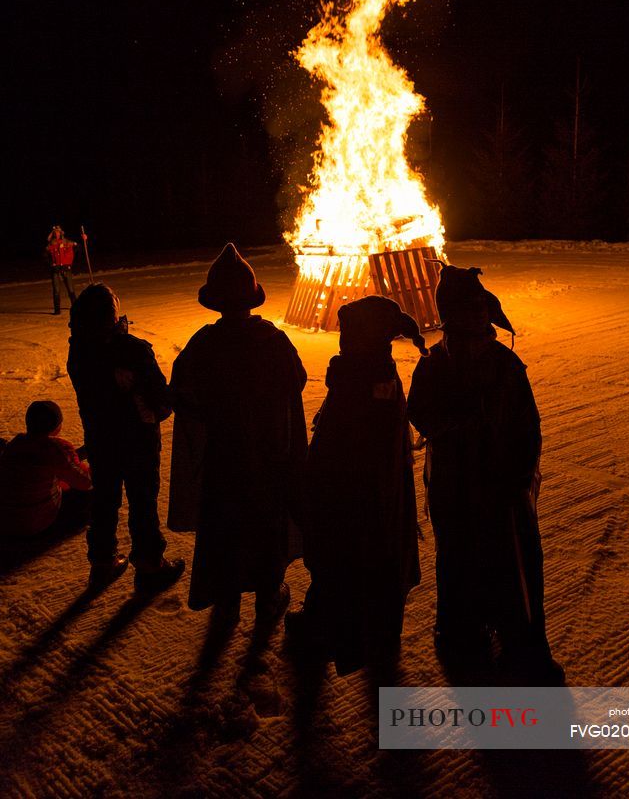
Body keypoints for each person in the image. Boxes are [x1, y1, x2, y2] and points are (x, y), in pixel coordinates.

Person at [407, 263, 564, 684]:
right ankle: (462, 634)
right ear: (451, 317)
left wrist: (517, 479)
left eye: (482, 309)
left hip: (502, 489)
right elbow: (419, 411)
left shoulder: (505, 365)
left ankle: (524, 649)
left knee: (515, 567)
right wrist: (455, 427)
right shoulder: (435, 364)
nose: (478, 317)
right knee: (457, 561)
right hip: (454, 487)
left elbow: (527, 428)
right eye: (469, 310)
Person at [168, 243, 307, 630]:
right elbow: (298, 380)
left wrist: (212, 413)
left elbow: (179, 391)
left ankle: (226, 600)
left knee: (224, 524)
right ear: (251, 299)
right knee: (264, 522)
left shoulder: (204, 343)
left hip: (221, 456)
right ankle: (267, 596)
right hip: (268, 455)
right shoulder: (272, 339)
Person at [286, 295, 423, 675]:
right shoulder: (366, 369)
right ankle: (355, 624)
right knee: (352, 559)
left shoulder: (366, 377)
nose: (342, 339)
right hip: (362, 491)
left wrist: (317, 478)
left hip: (354, 495)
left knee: (344, 558)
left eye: (349, 333)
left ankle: (329, 629)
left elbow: (353, 444)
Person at [67, 284, 184, 592]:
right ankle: (149, 563)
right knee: (142, 498)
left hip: (100, 437)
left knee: (105, 498)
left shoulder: (78, 348)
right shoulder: (132, 348)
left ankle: (102, 562)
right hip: (136, 438)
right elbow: (160, 396)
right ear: (110, 316)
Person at [0, 401, 92, 539]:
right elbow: (86, 481)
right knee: (92, 493)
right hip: (35, 522)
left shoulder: (16, 444)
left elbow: (45, 463)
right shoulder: (56, 448)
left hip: (6, 519)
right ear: (57, 426)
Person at [45, 225, 77, 314]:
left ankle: (76, 307)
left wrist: (84, 239)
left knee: (70, 289)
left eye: (58, 232)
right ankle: (57, 310)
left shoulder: (66, 242)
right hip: (55, 270)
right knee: (56, 290)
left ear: (61, 233)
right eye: (55, 232)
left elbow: (77, 247)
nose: (57, 234)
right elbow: (46, 257)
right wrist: (52, 265)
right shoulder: (50, 245)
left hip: (66, 268)